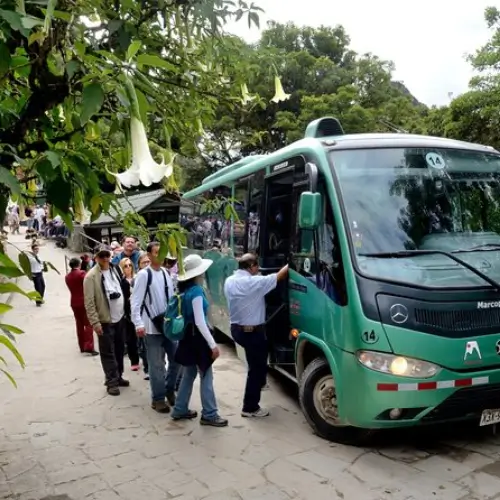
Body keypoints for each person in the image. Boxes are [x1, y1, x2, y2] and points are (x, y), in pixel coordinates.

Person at [224, 253, 288, 418]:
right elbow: (280, 275)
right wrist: (292, 263)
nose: (258, 269)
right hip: (252, 332)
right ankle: (250, 407)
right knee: (256, 368)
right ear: (251, 266)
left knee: (256, 359)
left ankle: (259, 384)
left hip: (236, 329)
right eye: (257, 266)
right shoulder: (254, 283)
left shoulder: (230, 281)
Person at [172, 254, 228, 427]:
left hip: (188, 337)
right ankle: (210, 414)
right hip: (198, 338)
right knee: (206, 376)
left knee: (189, 374)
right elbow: (200, 321)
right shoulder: (196, 291)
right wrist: (212, 344)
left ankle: (180, 409)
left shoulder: (184, 289)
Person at [131, 242, 179, 413]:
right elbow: (135, 302)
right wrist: (138, 323)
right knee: (156, 364)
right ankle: (158, 398)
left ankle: (169, 388)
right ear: (149, 255)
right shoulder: (144, 275)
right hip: (151, 327)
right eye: (156, 252)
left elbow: (172, 298)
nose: (159, 255)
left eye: (162, 252)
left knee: (176, 359)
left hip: (167, 324)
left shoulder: (166, 273)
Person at [83, 245, 129, 396]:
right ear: (96, 257)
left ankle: (118, 375)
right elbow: (89, 302)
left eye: (107, 255)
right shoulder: (91, 277)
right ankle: (111, 381)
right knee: (107, 352)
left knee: (119, 349)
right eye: (101, 256)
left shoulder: (116, 269)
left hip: (120, 317)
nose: (105, 259)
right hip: (105, 320)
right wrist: (95, 322)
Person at [65, 258, 98, 356]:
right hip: (84, 300)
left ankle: (82, 345)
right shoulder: (81, 274)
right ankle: (89, 345)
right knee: (88, 323)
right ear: (79, 264)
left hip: (74, 301)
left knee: (79, 324)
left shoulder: (67, 276)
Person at [119, 257, 140, 371]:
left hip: (139, 310)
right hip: (127, 313)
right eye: (125, 266)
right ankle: (134, 360)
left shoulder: (138, 278)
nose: (128, 268)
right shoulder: (121, 282)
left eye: (130, 265)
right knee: (131, 337)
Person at [135, 251, 151, 379]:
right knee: (144, 345)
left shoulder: (157, 275)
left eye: (148, 261)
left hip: (154, 318)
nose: (146, 264)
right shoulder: (138, 279)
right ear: (139, 265)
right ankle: (147, 368)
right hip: (142, 317)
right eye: (143, 262)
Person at [26, 242, 46, 307]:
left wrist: (42, 268)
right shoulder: (30, 257)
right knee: (38, 288)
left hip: (40, 273)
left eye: (37, 249)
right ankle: (38, 302)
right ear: (32, 249)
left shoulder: (38, 256)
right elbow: (27, 266)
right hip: (35, 274)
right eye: (35, 249)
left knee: (43, 286)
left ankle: (40, 299)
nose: (37, 250)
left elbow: (41, 263)